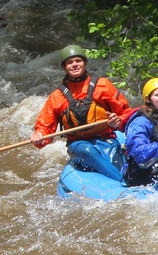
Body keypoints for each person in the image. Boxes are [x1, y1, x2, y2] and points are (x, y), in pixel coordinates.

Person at [30, 45, 132, 181]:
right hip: (78, 144)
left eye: (78, 61)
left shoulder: (102, 85)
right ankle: (123, 181)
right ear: (64, 67)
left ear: (84, 63)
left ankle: (125, 176)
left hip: (106, 139)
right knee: (87, 151)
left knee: (117, 158)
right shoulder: (57, 96)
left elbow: (126, 113)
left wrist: (117, 122)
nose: (74, 65)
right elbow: (45, 127)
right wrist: (39, 135)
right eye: (69, 62)